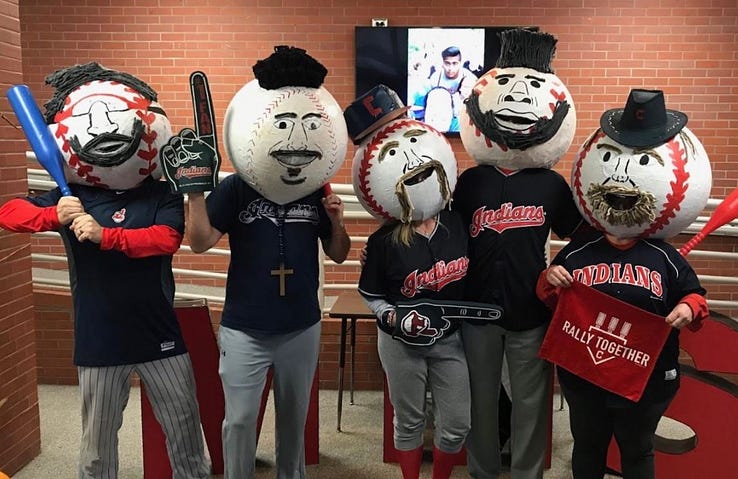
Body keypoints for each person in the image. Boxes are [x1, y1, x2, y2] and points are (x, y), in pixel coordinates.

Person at [0, 62, 209, 479]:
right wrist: (54, 215)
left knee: (186, 439)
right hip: (98, 340)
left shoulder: (161, 191)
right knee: (96, 451)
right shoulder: (73, 195)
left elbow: (165, 240)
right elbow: (8, 213)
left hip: (160, 336)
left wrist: (102, 235)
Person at [184, 46, 350, 479]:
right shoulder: (238, 188)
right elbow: (199, 243)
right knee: (238, 421)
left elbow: (339, 253)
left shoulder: (316, 188)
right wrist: (196, 192)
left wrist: (336, 222)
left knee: (293, 423)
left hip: (301, 324)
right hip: (245, 327)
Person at [537, 88, 710, 478]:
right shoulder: (580, 250)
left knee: (636, 452)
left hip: (646, 377)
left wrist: (686, 308)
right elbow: (547, 296)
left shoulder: (665, 257)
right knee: (588, 449)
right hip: (586, 374)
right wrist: (550, 277)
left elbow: (696, 301)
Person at [453, 28, 582, 479]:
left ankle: (528, 474)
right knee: (479, 399)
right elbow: (450, 236)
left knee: (531, 404)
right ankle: (482, 472)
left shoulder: (550, 183)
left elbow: (578, 238)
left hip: (532, 309)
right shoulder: (472, 181)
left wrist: (562, 267)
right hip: (477, 310)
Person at [345, 85, 480, 479]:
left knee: (456, 422)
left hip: (451, 338)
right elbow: (370, 294)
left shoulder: (458, 221)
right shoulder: (384, 240)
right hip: (402, 342)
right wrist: (391, 318)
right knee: (409, 421)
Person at [411, 46, 478, 132]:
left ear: (460, 63)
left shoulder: (469, 79)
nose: (450, 68)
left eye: (455, 63)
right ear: (442, 63)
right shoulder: (435, 77)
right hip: (436, 116)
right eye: (447, 63)